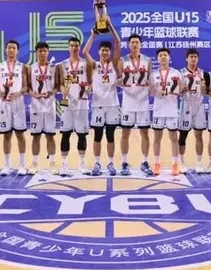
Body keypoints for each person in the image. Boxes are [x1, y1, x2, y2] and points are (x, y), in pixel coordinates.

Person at [82, 23, 122, 176]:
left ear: (110, 52)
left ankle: (110, 163)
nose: (105, 52)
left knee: (110, 136)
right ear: (98, 52)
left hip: (112, 105)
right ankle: (97, 163)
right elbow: (85, 52)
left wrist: (110, 25)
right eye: (102, 50)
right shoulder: (94, 65)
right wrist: (93, 35)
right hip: (97, 105)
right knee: (98, 136)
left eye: (107, 50)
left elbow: (118, 42)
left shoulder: (113, 64)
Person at [56, 37, 91, 176]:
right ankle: (64, 165)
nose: (74, 48)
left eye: (76, 46)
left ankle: (81, 164)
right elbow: (59, 83)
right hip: (67, 102)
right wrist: (62, 90)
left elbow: (91, 81)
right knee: (65, 134)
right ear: (68, 47)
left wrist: (88, 89)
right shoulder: (62, 65)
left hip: (82, 102)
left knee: (82, 134)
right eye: (72, 46)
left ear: (79, 47)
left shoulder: (85, 63)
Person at [119, 34, 153, 175]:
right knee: (125, 133)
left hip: (143, 101)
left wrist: (151, 86)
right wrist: (120, 81)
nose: (134, 45)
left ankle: (145, 162)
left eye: (137, 42)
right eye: (132, 42)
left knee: (144, 132)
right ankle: (124, 163)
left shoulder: (147, 60)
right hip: (128, 101)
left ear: (140, 44)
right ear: (128, 45)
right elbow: (119, 80)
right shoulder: (123, 60)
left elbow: (149, 79)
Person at [0, 40, 28, 176]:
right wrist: (0, 94)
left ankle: (22, 165)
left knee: (20, 134)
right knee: (6, 134)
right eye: (9, 48)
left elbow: (25, 87)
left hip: (18, 102)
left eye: (14, 48)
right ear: (5, 50)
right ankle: (7, 165)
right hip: (4, 103)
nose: (11, 50)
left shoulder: (23, 67)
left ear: (17, 51)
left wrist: (18, 94)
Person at [151, 48, 184, 176]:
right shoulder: (153, 74)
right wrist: (154, 89)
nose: (163, 57)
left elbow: (181, 90)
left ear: (169, 57)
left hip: (171, 109)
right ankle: (156, 163)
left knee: (174, 138)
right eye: (160, 55)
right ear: (157, 58)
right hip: (158, 109)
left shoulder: (176, 73)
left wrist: (180, 87)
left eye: (165, 55)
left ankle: (175, 164)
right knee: (157, 138)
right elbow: (151, 92)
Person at [178, 48, 210, 174]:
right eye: (191, 57)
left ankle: (199, 163)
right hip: (186, 104)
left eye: (195, 57)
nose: (193, 59)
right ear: (187, 58)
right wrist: (182, 89)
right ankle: (182, 163)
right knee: (183, 135)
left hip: (199, 105)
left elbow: (207, 93)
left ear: (198, 58)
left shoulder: (204, 74)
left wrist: (204, 89)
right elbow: (176, 92)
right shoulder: (180, 73)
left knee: (199, 135)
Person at [27, 41, 57, 175]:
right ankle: (35, 163)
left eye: (45, 51)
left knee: (50, 136)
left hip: (50, 105)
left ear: (48, 52)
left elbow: (58, 85)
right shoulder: (31, 68)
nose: (43, 53)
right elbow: (28, 86)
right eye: (40, 51)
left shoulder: (54, 68)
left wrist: (52, 92)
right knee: (36, 136)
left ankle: (52, 163)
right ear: (36, 53)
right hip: (36, 106)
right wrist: (32, 93)